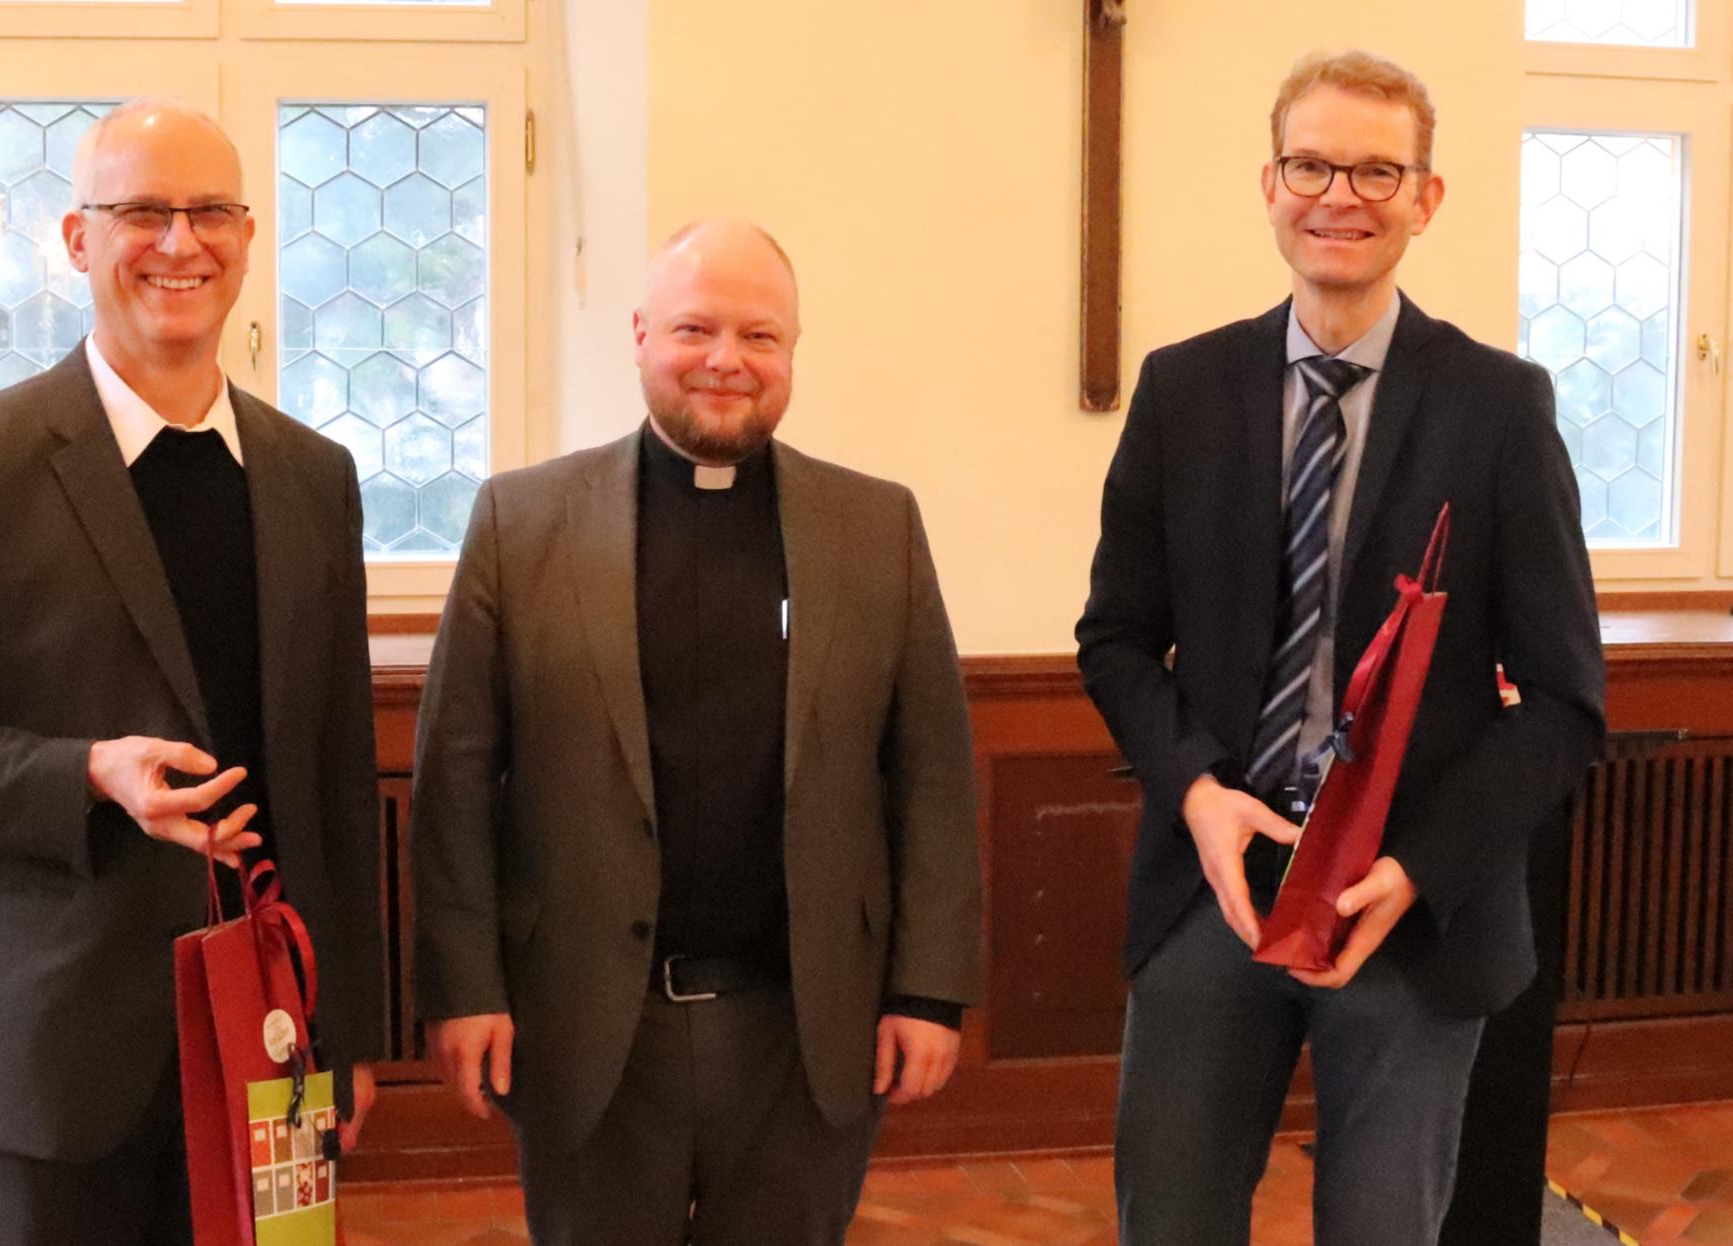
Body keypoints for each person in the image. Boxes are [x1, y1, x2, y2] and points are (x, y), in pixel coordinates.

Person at [0, 100, 383, 1246]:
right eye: (142, 212)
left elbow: (333, 774)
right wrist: (87, 771)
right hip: (53, 1051)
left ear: (247, 235)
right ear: (78, 240)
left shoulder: (311, 476)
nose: (180, 244)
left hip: (267, 1042)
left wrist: (350, 1031)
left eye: (210, 212)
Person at [1075, 50, 1605, 1245]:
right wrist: (1196, 795)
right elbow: (1112, 639)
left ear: (1425, 198)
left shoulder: (1499, 407)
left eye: (1377, 169)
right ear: (1268, 184)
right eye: (1312, 164)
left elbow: (1566, 701)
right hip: (1214, 887)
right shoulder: (1183, 390)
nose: (1340, 195)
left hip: (1410, 913)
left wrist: (1419, 866)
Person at [410, 218, 981, 1245]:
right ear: (637, 335)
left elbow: (931, 774)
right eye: (694, 329)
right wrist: (463, 987)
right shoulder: (519, 522)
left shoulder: (874, 528)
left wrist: (929, 989)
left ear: (793, 351)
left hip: (804, 1027)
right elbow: (453, 780)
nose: (725, 361)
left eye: (759, 336)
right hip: (589, 1023)